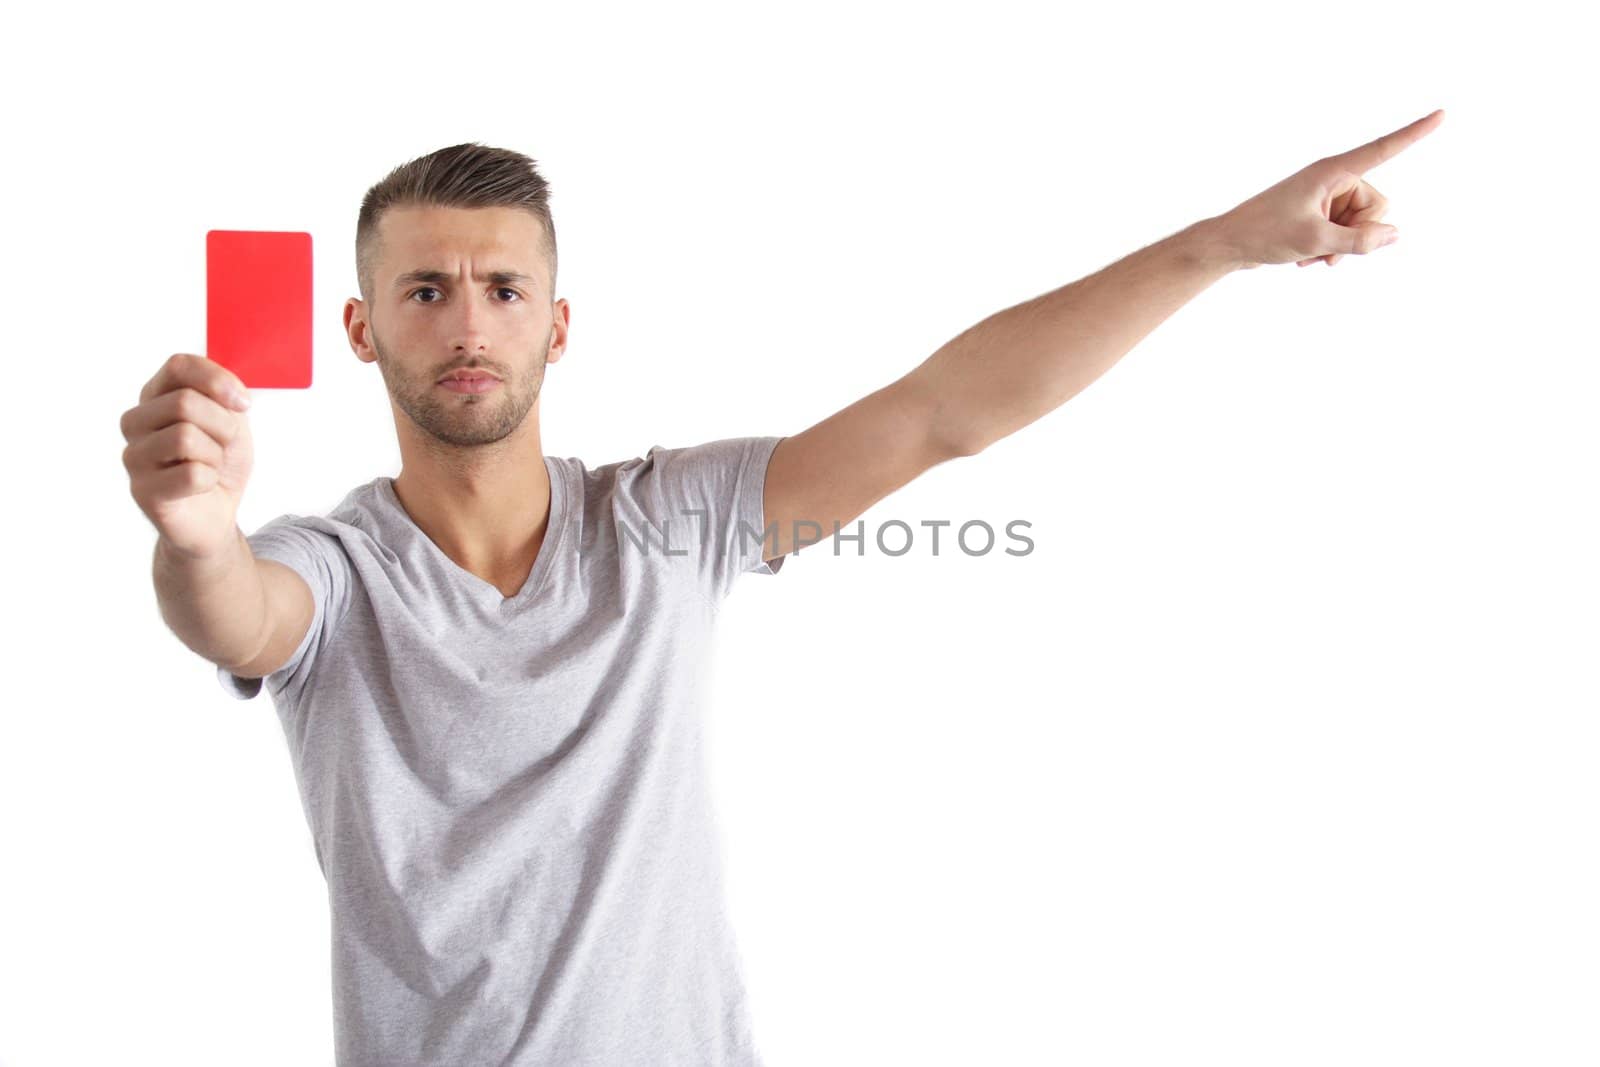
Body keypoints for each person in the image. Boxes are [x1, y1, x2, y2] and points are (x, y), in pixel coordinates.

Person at [121, 111, 1442, 1066]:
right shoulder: (336, 569)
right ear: (362, 329)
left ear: (557, 325)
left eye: (503, 288)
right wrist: (194, 532)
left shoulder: (668, 521)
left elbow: (941, 415)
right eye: (424, 290)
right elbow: (238, 609)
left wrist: (1222, 246)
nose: (468, 324)